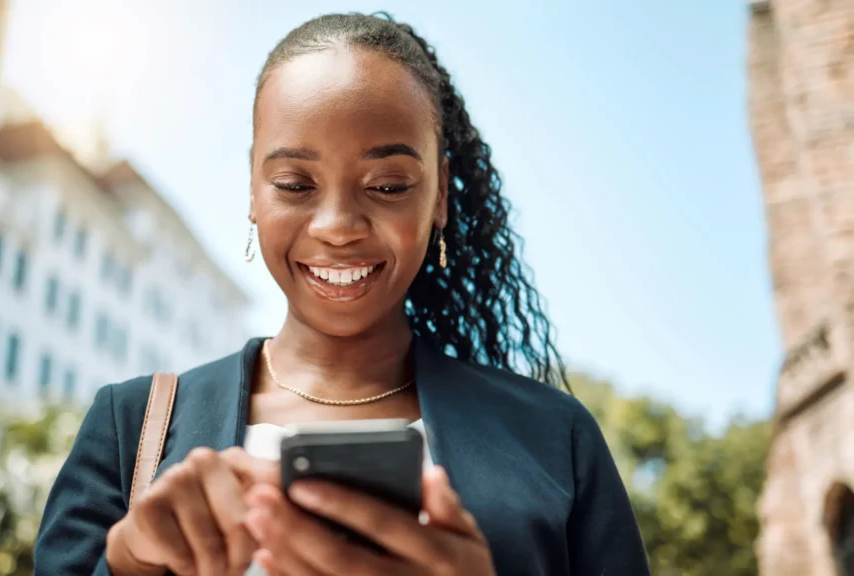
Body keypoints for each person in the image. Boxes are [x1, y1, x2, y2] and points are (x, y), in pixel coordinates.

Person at [34, 12, 649, 576]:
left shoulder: (554, 438)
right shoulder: (131, 427)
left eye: (387, 185)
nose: (337, 225)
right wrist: (128, 562)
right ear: (254, 191)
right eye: (294, 183)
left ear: (439, 198)